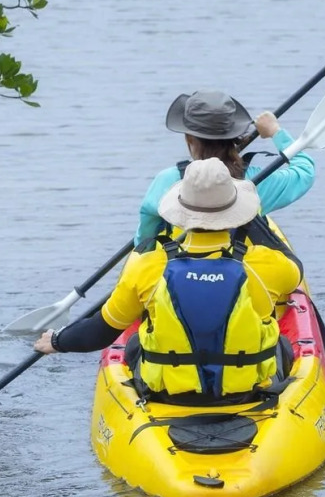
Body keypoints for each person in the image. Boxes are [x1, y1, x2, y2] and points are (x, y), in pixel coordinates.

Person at [35, 158, 303, 404]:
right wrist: (250, 221)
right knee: (280, 340)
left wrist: (59, 341)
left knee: (134, 341)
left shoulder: (147, 265)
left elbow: (100, 332)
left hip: (169, 397)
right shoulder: (267, 265)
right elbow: (295, 266)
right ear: (239, 213)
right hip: (245, 393)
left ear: (180, 212)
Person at [132, 89, 314, 249]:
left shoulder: (167, 180)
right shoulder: (255, 182)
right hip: (242, 273)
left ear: (189, 138)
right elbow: (305, 172)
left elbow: (146, 237)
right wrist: (276, 131)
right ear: (234, 136)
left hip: (178, 269)